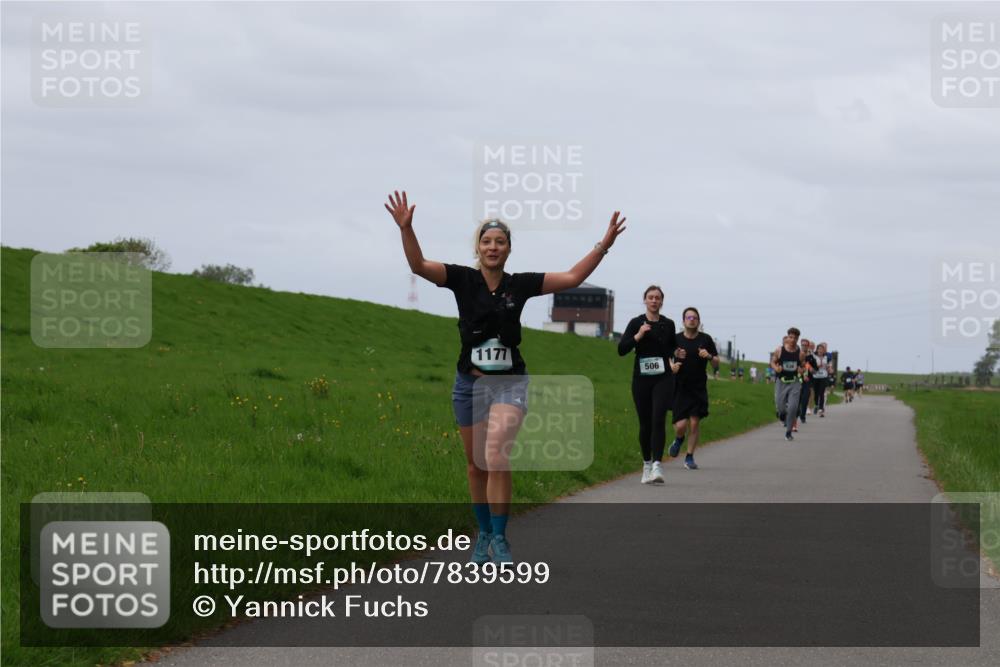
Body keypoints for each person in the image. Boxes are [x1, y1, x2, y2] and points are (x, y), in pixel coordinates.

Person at [385, 190, 626, 563]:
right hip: (469, 384)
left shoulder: (521, 284)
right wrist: (406, 228)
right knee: (475, 464)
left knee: (496, 455)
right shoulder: (462, 279)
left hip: (510, 383)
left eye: (500, 242)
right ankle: (482, 535)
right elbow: (418, 265)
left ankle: (500, 538)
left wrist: (604, 244)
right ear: (477, 248)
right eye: (486, 241)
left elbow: (573, 276)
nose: (492, 247)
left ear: (509, 249)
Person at [618, 286, 677, 484]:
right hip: (641, 379)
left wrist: (676, 356)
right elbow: (621, 349)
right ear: (645, 300)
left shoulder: (668, 324)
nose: (654, 301)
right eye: (650, 297)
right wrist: (638, 335)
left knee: (658, 418)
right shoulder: (636, 323)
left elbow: (671, 348)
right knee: (645, 423)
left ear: (662, 302)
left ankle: (658, 466)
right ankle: (646, 463)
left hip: (663, 377)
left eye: (657, 298)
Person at [668, 307, 720, 470]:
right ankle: (678, 438)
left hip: (698, 387)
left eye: (695, 317)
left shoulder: (706, 339)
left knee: (695, 423)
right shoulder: (675, 339)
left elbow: (716, 363)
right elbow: (666, 357)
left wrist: (709, 356)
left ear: (699, 321)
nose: (692, 320)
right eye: (689, 317)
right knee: (681, 425)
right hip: (680, 386)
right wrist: (672, 366)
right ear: (683, 321)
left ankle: (689, 457)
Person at [771, 328, 803, 441]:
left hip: (794, 382)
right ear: (787, 337)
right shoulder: (779, 350)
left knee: (793, 408)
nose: (793, 340)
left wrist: (801, 370)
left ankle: (788, 432)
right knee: (781, 407)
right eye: (791, 337)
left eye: (795, 338)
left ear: (798, 339)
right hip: (781, 382)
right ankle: (782, 415)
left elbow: (803, 366)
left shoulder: (801, 353)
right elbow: (772, 362)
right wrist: (776, 368)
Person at [795, 339, 814, 430]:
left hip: (807, 380)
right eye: (802, 345)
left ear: (808, 346)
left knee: (806, 397)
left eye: (806, 345)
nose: (804, 346)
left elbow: (815, 369)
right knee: (797, 397)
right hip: (798, 378)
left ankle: (802, 416)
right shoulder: (796, 354)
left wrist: (811, 369)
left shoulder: (811, 357)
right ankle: (796, 413)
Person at [811, 342, 832, 416]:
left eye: (822, 349)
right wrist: (817, 366)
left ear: (824, 350)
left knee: (822, 393)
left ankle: (820, 408)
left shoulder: (827, 357)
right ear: (817, 350)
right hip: (816, 377)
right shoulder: (814, 356)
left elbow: (830, 367)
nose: (820, 350)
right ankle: (816, 404)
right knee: (816, 393)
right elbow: (811, 365)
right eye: (819, 349)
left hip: (823, 377)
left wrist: (829, 368)